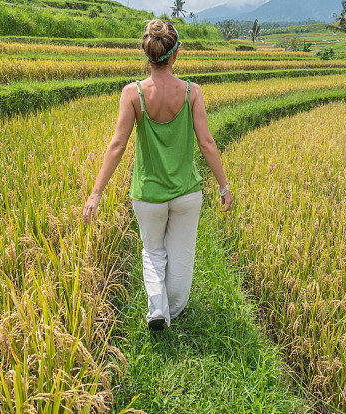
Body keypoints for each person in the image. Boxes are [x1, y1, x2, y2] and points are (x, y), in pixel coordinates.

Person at [82, 19, 234, 331]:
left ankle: (157, 310)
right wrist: (223, 186)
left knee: (152, 251)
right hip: (186, 193)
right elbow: (206, 142)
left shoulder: (132, 93)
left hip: (148, 194)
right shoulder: (192, 91)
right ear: (176, 53)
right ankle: (172, 311)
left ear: (147, 54)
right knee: (181, 256)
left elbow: (117, 145)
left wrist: (95, 193)